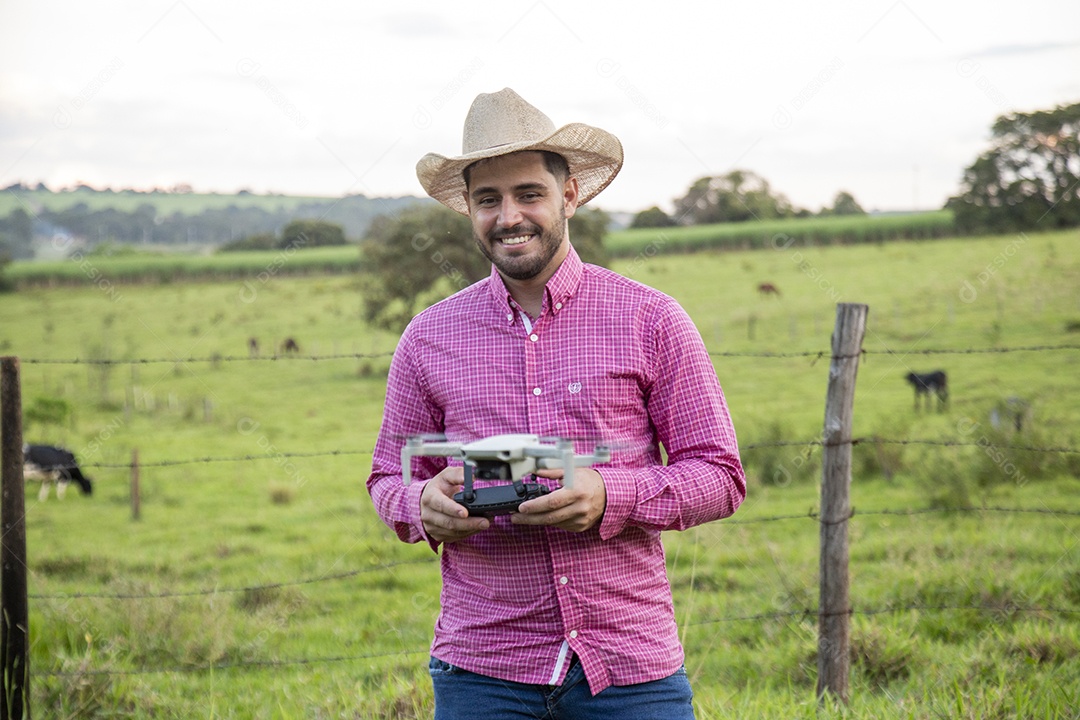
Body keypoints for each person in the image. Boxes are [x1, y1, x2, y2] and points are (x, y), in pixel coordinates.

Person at [367, 88, 745, 719]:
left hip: (628, 665)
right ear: (468, 209)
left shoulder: (652, 320)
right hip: (483, 668)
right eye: (488, 199)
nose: (508, 215)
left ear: (569, 196)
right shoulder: (427, 337)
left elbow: (720, 476)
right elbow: (388, 478)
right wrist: (422, 505)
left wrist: (608, 495)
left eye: (528, 194)